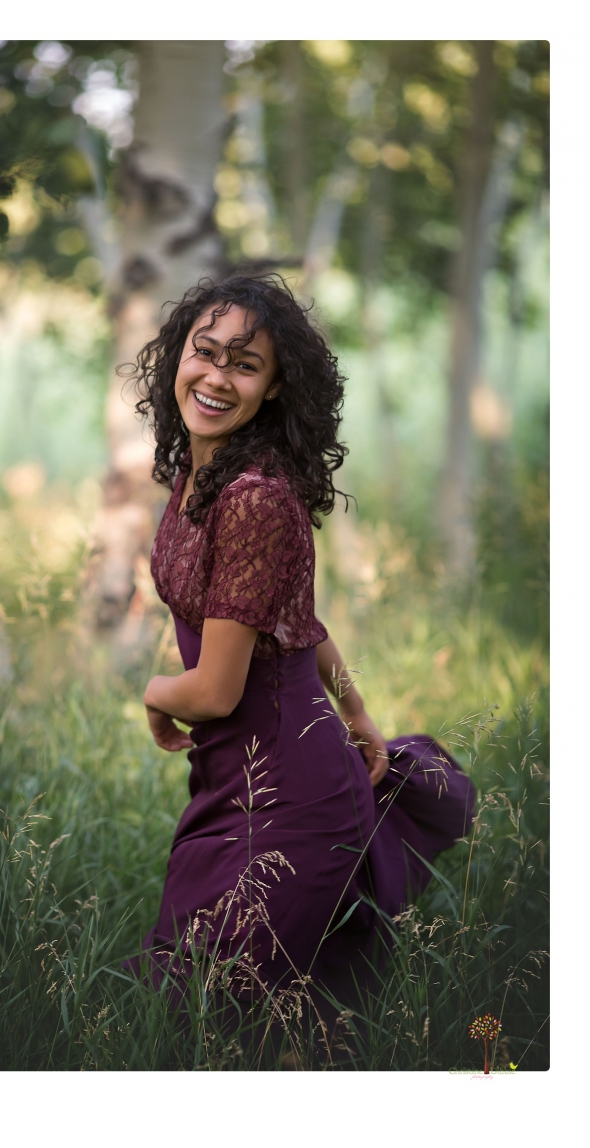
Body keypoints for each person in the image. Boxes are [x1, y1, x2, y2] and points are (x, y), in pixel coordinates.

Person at [128, 273, 475, 1006]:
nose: (217, 377)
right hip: (234, 780)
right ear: (178, 356)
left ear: (276, 387)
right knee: (212, 1004)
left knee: (220, 1001)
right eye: (206, 351)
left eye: (244, 364)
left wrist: (156, 693)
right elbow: (298, 621)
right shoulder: (200, 475)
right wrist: (356, 714)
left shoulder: (253, 498)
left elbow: (215, 692)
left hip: (290, 794)